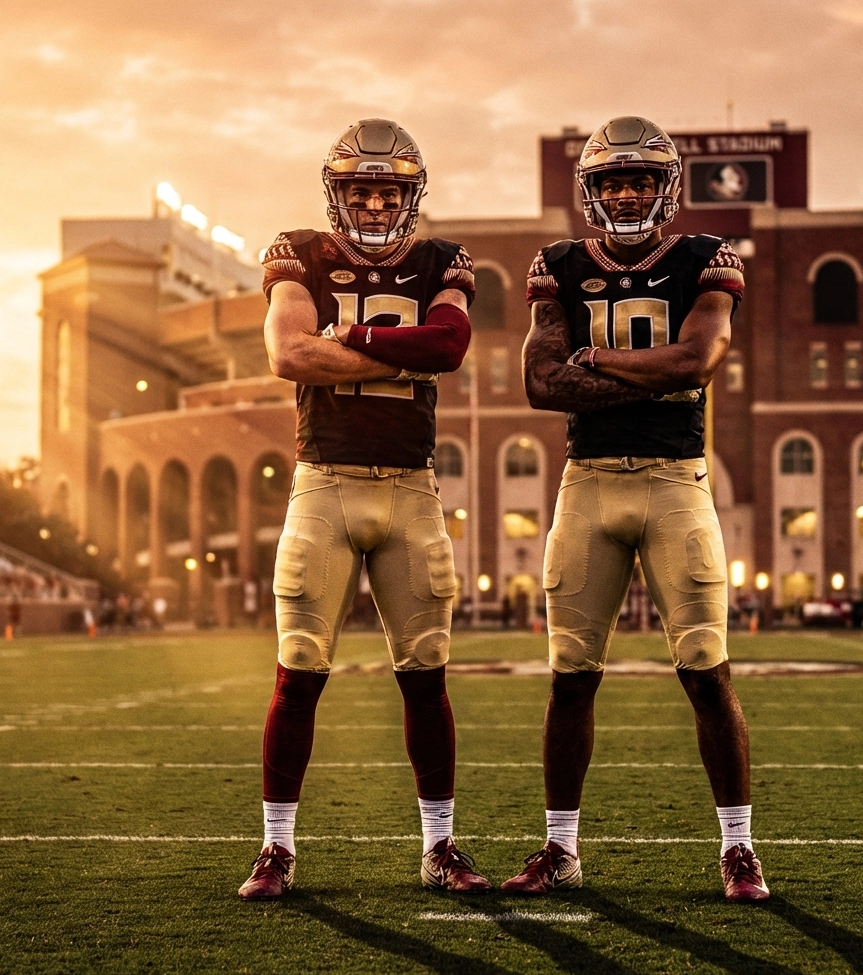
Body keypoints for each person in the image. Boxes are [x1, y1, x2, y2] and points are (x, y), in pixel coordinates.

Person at [502, 116, 768, 903]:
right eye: (611, 180)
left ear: (666, 188)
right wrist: (653, 375)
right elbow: (543, 384)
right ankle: (559, 849)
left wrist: (605, 358)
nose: (624, 192)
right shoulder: (557, 265)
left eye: (639, 180)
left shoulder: (703, 258)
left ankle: (739, 847)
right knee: (569, 676)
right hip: (586, 481)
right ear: (589, 192)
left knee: (706, 670)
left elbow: (699, 359)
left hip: (673, 479)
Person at [239, 119, 491, 900]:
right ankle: (276, 849)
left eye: (388, 191)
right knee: (299, 672)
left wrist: (343, 331)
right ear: (336, 194)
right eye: (361, 191)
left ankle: (440, 847)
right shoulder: (298, 251)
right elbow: (288, 353)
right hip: (324, 482)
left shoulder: (443, 259)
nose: (376, 205)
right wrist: (396, 345)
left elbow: (450, 345)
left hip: (411, 487)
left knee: (426, 676)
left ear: (409, 197)